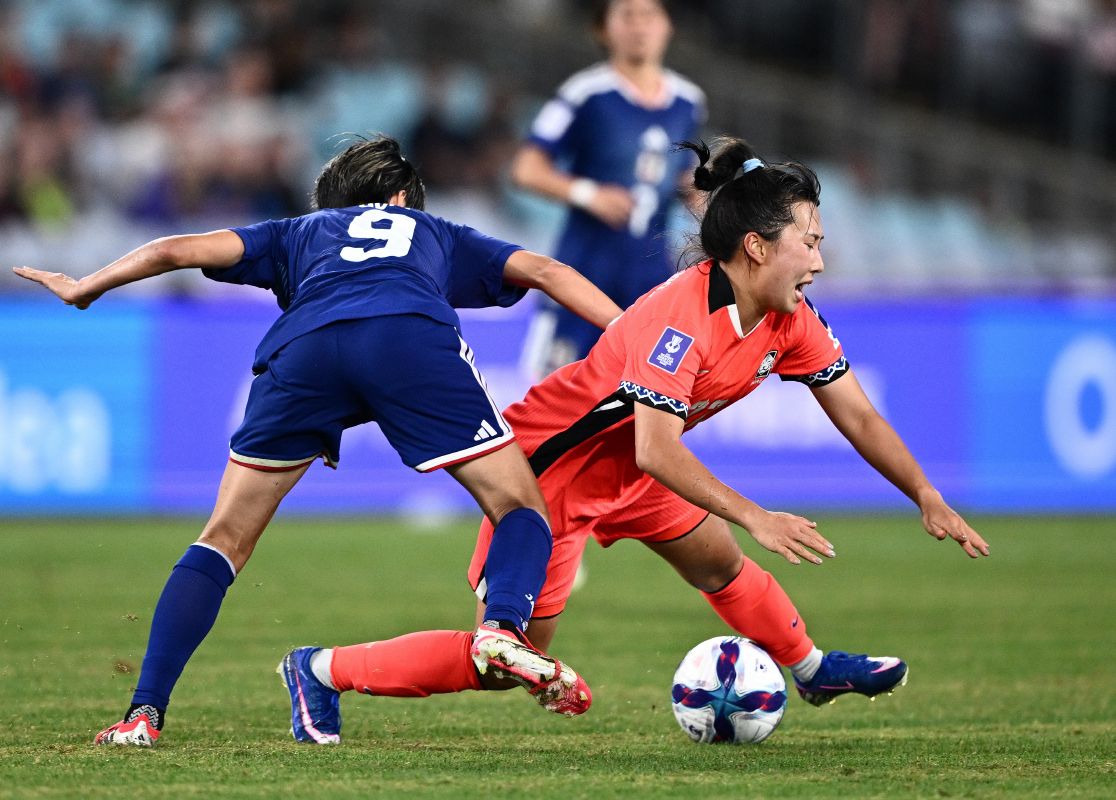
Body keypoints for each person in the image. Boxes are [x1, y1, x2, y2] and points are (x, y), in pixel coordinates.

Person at [300, 137, 989, 718]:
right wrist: (758, 515)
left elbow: (858, 414)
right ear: (756, 246)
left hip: (629, 468)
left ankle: (810, 671)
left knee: (717, 561)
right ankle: (321, 669)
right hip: (549, 477)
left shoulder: (792, 320)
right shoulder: (680, 320)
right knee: (505, 663)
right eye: (808, 243)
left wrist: (925, 494)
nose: (819, 260)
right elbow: (658, 447)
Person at [14, 136, 624, 746]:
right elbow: (548, 272)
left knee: (223, 537)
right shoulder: (432, 230)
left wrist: (88, 285)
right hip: (408, 340)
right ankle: (502, 628)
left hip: (304, 350)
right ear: (399, 198)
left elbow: (175, 249)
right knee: (518, 504)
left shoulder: (298, 231)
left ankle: (142, 713)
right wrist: (630, 333)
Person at [512, 0, 705, 370]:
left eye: (649, 15)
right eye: (627, 15)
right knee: (556, 388)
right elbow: (525, 169)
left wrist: (702, 196)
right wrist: (588, 194)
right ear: (602, 29)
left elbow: (683, 176)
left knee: (650, 390)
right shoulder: (585, 93)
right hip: (585, 271)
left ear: (668, 26)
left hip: (652, 276)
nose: (639, 26)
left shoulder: (689, 101)